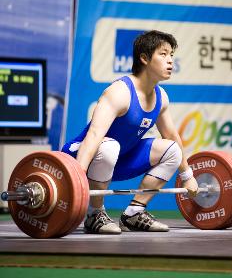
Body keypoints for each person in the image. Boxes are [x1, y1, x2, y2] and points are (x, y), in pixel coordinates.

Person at [62, 30, 198, 234]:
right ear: (144, 58)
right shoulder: (120, 92)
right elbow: (94, 135)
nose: (170, 61)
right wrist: (77, 175)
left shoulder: (161, 97)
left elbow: (171, 136)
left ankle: (134, 212)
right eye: (163, 54)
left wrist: (187, 175)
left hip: (119, 160)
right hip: (82, 157)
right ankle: (94, 214)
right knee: (109, 146)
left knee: (172, 150)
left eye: (171, 55)